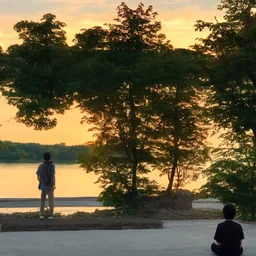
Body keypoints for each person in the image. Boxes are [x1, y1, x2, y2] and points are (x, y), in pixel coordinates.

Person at [36, 152, 56, 220]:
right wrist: (54, 184)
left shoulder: (41, 166)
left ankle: (41, 215)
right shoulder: (52, 165)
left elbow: (38, 176)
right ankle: (51, 215)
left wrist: (41, 182)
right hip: (50, 185)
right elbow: (53, 175)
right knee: (51, 201)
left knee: (42, 200)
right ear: (50, 157)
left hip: (43, 185)